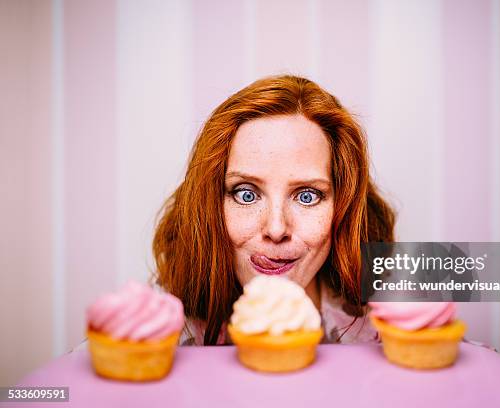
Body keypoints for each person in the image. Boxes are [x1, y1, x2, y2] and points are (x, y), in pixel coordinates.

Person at [152, 75, 395, 346]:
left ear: (344, 207)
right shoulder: (164, 327)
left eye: (307, 196)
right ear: (209, 204)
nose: (276, 229)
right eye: (246, 195)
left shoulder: (386, 315)